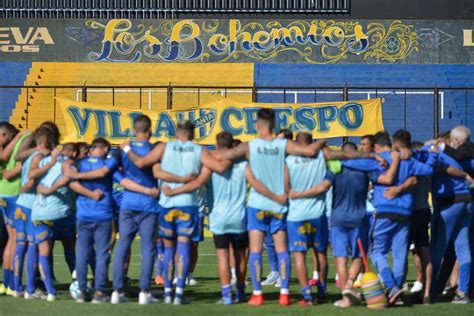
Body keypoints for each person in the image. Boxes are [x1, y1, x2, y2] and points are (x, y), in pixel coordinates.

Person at [214, 109, 381, 306]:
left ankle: (259, 293)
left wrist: (189, 151)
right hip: (289, 207)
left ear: (258, 125)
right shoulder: (287, 146)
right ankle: (289, 293)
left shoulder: (251, 146)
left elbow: (224, 154)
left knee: (258, 250)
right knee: (295, 251)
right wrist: (368, 153)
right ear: (274, 125)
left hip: (263, 205)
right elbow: (322, 153)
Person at [121, 120, 230, 305]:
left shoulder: (164, 147)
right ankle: (179, 293)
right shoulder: (199, 150)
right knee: (184, 246)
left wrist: (126, 149)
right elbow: (220, 167)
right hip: (188, 204)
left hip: (167, 203)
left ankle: (167, 291)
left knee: (168, 249)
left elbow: (142, 163)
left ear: (176, 133)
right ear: (193, 134)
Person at [162, 132, 250, 304]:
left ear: (216, 145)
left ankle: (226, 296)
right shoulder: (243, 165)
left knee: (222, 256)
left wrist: (174, 191)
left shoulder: (210, 167)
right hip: (239, 216)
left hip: (219, 218)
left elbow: (196, 184)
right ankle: (240, 291)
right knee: (240, 256)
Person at [285, 131, 332, 305]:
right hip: (318, 214)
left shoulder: (289, 161)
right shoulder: (321, 157)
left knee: (299, 256)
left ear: (296, 143)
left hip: (296, 215)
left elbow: (285, 188)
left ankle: (306, 295)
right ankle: (321, 291)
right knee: (321, 254)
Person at [14, 126, 59, 300]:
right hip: (32, 207)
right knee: (35, 247)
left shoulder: (31, 155)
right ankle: (31, 289)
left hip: (22, 205)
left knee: (21, 245)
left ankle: (20, 287)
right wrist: (50, 164)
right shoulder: (40, 157)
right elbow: (32, 177)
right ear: (47, 141)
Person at [30, 143, 78, 298]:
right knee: (70, 249)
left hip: (39, 214)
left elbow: (33, 181)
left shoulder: (42, 161)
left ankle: (50, 291)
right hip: (60, 215)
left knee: (43, 252)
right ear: (74, 153)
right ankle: (79, 283)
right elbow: (72, 178)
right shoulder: (69, 163)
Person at [0, 123, 28, 295]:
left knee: (10, 240)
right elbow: (9, 171)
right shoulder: (20, 141)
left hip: (4, 195)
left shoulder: (9, 146)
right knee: (18, 241)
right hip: (14, 195)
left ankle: (8, 283)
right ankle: (14, 285)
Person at [407, 141, 433, 304]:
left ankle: (399, 289)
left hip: (410, 213)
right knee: (422, 250)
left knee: (403, 251)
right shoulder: (426, 168)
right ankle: (426, 291)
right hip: (423, 211)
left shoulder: (412, 166)